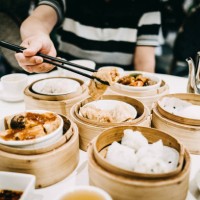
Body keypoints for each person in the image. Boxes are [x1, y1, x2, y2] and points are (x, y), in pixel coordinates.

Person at [15, 0, 161, 74]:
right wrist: (36, 37)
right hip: (68, 80)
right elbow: (39, 19)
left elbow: (144, 65)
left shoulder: (148, 6)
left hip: (117, 87)